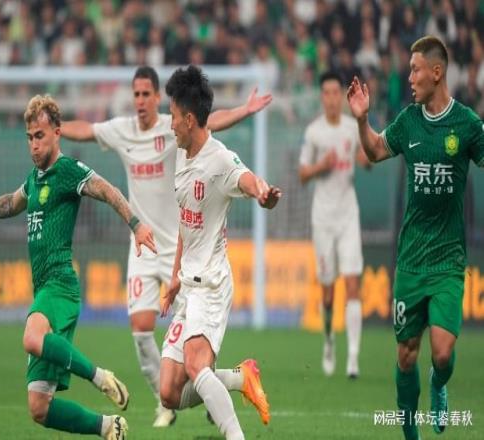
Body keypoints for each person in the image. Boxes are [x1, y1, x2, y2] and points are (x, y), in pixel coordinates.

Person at [60, 66, 272, 427]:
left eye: (149, 95)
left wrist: (246, 115)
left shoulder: (190, 142)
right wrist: (56, 128)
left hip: (200, 270)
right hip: (160, 257)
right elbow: (87, 130)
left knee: (196, 363)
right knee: (164, 377)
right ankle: (223, 384)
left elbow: (230, 155)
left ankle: (226, 416)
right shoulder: (152, 141)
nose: (142, 101)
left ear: (162, 102)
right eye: (136, 94)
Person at [0, 95, 158, 439]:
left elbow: (107, 190)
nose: (34, 144)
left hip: (60, 284)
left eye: (40, 136)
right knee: (39, 408)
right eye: (29, 137)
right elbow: (10, 204)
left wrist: (136, 225)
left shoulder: (66, 171)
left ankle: (99, 377)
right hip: (44, 289)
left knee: (32, 338)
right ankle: (108, 427)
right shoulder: (34, 178)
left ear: (57, 133)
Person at [347, 35, 484, 440]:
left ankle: (439, 384)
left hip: (448, 261)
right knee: (406, 356)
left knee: (441, 353)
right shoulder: (409, 120)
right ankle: (410, 433)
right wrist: (362, 120)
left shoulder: (467, 125)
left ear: (436, 72)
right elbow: (374, 151)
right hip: (410, 260)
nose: (409, 78)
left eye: (415, 69)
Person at [158, 65, 281, 440]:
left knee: (196, 365)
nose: (170, 124)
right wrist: (175, 277)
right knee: (169, 393)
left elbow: (246, 178)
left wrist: (262, 192)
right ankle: (241, 378)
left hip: (211, 285)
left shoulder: (219, 160)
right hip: (188, 285)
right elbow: (186, 222)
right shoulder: (184, 151)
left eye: (173, 117)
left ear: (188, 119)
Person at [298, 71, 370, 379]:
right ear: (321, 97)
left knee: (353, 283)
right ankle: (329, 340)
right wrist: (320, 166)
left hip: (348, 214)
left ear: (342, 96)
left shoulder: (352, 127)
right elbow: (302, 174)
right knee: (328, 292)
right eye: (326, 93)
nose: (331, 99)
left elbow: (367, 158)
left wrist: (366, 157)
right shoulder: (314, 132)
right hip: (323, 218)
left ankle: (353, 358)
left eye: (335, 93)